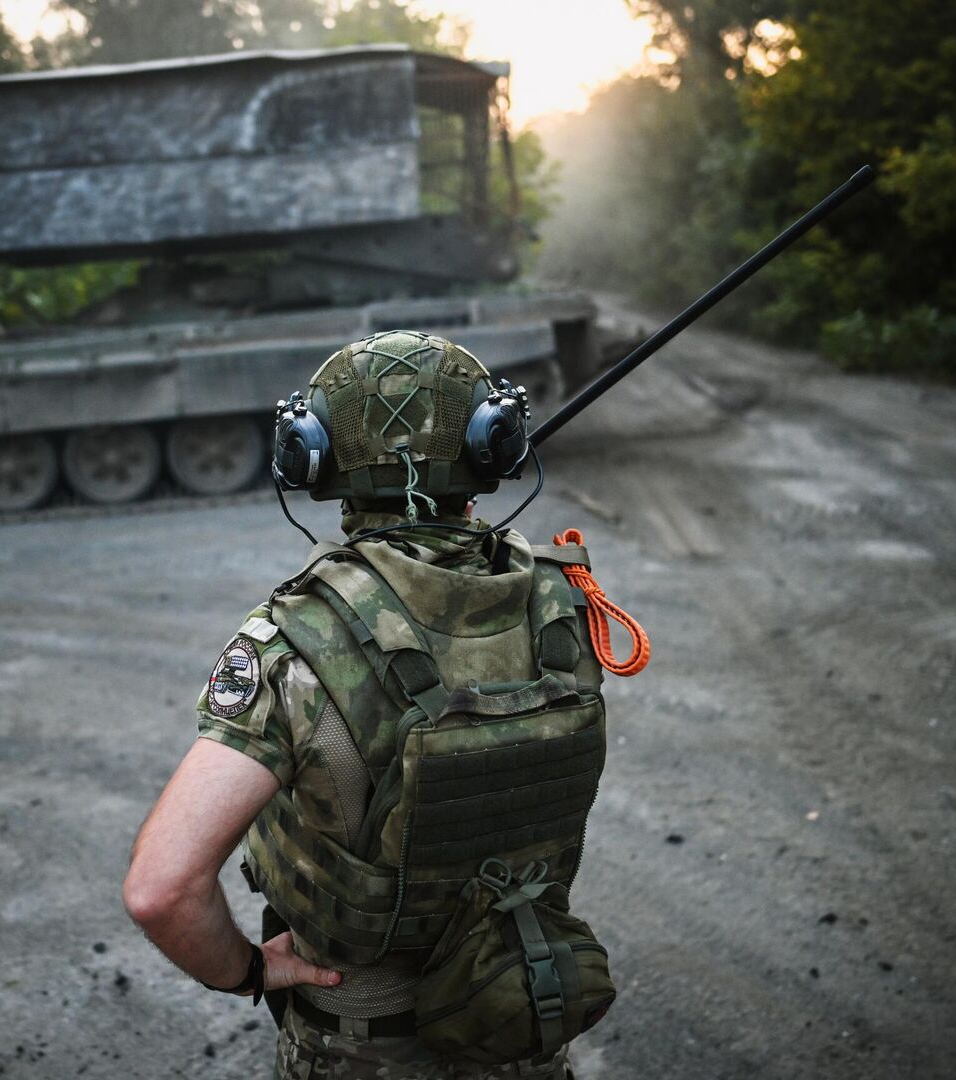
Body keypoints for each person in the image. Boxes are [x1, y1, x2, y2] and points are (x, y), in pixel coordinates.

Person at [125, 330, 613, 1078]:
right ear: (493, 446)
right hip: (524, 1011)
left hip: (361, 1044)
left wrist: (248, 972)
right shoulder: (561, 604)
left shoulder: (294, 644)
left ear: (309, 458)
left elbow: (162, 890)